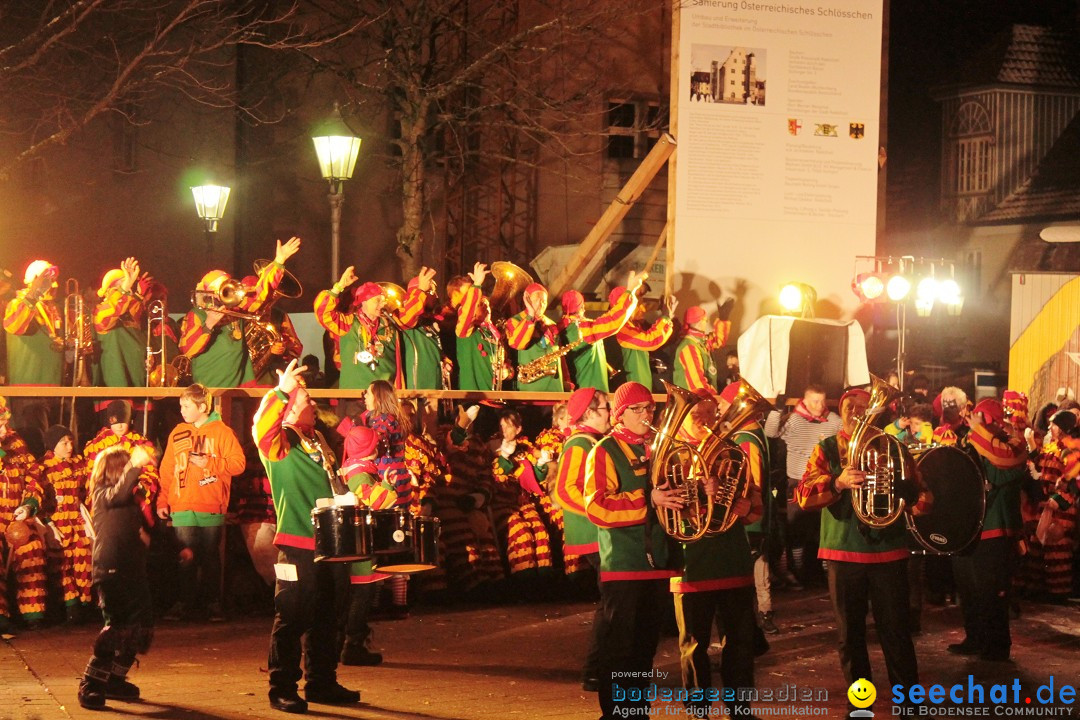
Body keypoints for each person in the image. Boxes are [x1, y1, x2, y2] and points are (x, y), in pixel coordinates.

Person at [795, 388, 927, 714]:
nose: (857, 413)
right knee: (850, 638)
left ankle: (909, 707)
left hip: (889, 553)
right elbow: (803, 495)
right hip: (844, 553)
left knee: (896, 634)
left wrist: (907, 489)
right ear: (841, 410)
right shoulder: (827, 448)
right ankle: (861, 707)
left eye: (864, 407)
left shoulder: (892, 447)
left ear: (875, 411)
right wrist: (837, 483)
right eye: (850, 407)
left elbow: (924, 501)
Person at [254, 358, 360, 713]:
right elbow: (260, 429)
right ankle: (281, 686)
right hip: (297, 543)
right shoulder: (281, 443)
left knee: (330, 614)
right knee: (292, 614)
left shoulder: (318, 440)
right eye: (304, 399)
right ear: (287, 411)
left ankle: (321, 681)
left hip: (330, 544)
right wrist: (281, 391)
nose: (311, 402)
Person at [584, 381, 683, 720]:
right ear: (621, 414)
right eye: (638, 410)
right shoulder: (605, 450)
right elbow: (596, 506)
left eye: (650, 409)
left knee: (644, 648)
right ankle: (614, 714)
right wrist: (647, 500)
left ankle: (636, 712)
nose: (647, 415)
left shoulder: (658, 449)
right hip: (624, 565)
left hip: (658, 563)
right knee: (619, 648)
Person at [669, 387, 761, 719]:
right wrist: (697, 489)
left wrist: (746, 505)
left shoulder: (733, 451)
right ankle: (698, 710)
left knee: (740, 641)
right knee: (693, 644)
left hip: (732, 558)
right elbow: (666, 505)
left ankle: (740, 708)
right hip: (691, 560)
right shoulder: (671, 453)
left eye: (711, 415)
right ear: (682, 418)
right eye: (697, 416)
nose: (706, 422)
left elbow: (755, 503)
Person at [77, 445, 158, 710]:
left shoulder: (131, 499)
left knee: (140, 627)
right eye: (125, 468)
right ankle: (91, 683)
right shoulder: (103, 494)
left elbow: (146, 525)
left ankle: (114, 679)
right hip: (111, 572)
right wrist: (134, 463)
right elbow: (119, 492)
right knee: (117, 628)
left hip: (133, 571)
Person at [157, 384, 245, 622]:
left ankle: (212, 603)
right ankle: (184, 603)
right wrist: (163, 498)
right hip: (182, 504)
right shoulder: (177, 432)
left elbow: (238, 464)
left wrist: (211, 464)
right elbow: (167, 469)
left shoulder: (222, 432)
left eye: (187, 406)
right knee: (186, 557)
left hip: (211, 504)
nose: (182, 410)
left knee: (209, 557)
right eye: (181, 406)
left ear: (203, 407)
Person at [949, 397, 1026, 662]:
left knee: (992, 591)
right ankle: (975, 638)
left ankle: (997, 644)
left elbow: (999, 471)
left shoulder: (1014, 444)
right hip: (970, 529)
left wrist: (979, 436)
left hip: (996, 529)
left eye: (982, 419)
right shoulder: (975, 444)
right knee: (969, 589)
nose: (975, 425)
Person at [180, 237, 300, 387]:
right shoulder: (196, 314)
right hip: (210, 385)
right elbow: (188, 350)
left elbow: (259, 297)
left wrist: (279, 261)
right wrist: (208, 325)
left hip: (240, 386)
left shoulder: (235, 308)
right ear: (207, 291)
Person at [552, 387, 611, 692]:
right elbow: (565, 490)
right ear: (589, 413)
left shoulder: (592, 441)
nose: (610, 415)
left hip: (599, 531)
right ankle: (596, 671)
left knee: (612, 600)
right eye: (605, 409)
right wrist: (601, 509)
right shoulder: (580, 443)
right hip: (595, 532)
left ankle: (601, 669)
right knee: (611, 601)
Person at [764, 384, 841, 587]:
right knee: (797, 529)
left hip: (824, 482)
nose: (820, 405)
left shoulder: (832, 421)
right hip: (797, 482)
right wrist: (777, 409)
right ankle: (798, 571)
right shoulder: (795, 420)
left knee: (823, 529)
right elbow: (771, 432)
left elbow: (849, 432)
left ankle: (826, 573)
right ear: (805, 401)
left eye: (823, 401)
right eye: (815, 401)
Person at [337, 425, 395, 667]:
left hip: (359, 543)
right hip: (358, 547)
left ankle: (351, 643)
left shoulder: (356, 469)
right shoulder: (359, 474)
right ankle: (353, 646)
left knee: (358, 597)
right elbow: (382, 502)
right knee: (360, 596)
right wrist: (390, 485)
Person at [314, 267, 415, 390]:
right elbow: (323, 313)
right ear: (363, 302)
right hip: (354, 395)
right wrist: (339, 286)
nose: (383, 304)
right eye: (377, 300)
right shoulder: (349, 322)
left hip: (384, 396)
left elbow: (410, 316)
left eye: (384, 301)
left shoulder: (391, 324)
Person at [0, 396, 48, 632]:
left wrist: (29, 504)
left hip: (15, 516)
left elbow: (34, 475)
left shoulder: (15, 441)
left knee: (31, 548)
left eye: (4, 423)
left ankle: (33, 613)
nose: (3, 429)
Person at [559, 271, 646, 393]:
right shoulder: (583, 329)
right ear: (582, 307)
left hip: (575, 392)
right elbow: (614, 320)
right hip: (591, 394)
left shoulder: (560, 329)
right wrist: (630, 290)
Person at [40, 425, 93, 622]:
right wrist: (48, 523)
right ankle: (70, 607)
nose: (69, 446)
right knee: (62, 564)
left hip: (77, 521)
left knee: (83, 558)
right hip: (57, 523)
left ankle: (85, 603)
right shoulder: (43, 468)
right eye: (64, 442)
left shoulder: (79, 464)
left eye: (70, 441)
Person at [3, 260, 64, 386]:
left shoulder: (53, 309)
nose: (54, 285)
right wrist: (34, 293)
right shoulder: (17, 304)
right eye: (49, 281)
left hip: (54, 386)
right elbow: (13, 326)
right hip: (26, 389)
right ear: (35, 281)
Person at [93, 257, 150, 387]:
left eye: (130, 285)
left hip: (138, 381)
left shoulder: (128, 313)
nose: (129, 288)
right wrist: (125, 289)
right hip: (116, 386)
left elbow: (130, 309)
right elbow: (112, 312)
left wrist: (140, 295)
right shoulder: (101, 311)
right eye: (123, 284)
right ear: (109, 290)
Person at [447, 264, 505, 391]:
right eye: (470, 293)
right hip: (474, 396)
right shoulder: (465, 327)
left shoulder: (491, 330)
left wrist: (507, 369)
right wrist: (477, 284)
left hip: (495, 395)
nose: (479, 300)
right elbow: (467, 313)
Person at [612, 288, 676, 390]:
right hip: (632, 392)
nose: (643, 309)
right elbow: (651, 341)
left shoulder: (630, 327)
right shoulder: (621, 329)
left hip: (638, 389)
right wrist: (665, 318)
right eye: (637, 305)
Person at [505, 282, 564, 392]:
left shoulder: (551, 324)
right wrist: (530, 316)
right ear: (527, 299)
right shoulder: (514, 321)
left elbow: (559, 354)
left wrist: (566, 380)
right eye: (538, 300)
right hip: (529, 389)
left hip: (554, 388)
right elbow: (517, 344)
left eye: (544, 301)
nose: (542, 304)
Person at [673, 305, 729, 394]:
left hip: (703, 400)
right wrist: (714, 398)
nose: (706, 323)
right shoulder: (689, 347)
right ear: (699, 322)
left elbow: (718, 341)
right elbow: (697, 384)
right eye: (705, 320)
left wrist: (723, 319)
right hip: (694, 402)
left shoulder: (701, 341)